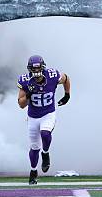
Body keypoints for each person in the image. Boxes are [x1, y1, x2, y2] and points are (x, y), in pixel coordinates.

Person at [17, 55, 71, 185]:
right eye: (33, 69)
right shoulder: (25, 80)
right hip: (33, 117)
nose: (36, 71)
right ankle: (33, 171)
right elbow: (21, 104)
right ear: (29, 69)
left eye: (38, 68)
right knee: (34, 147)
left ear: (43, 67)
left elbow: (66, 78)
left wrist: (67, 94)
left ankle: (45, 153)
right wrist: (28, 94)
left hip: (48, 113)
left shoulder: (52, 75)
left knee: (45, 133)